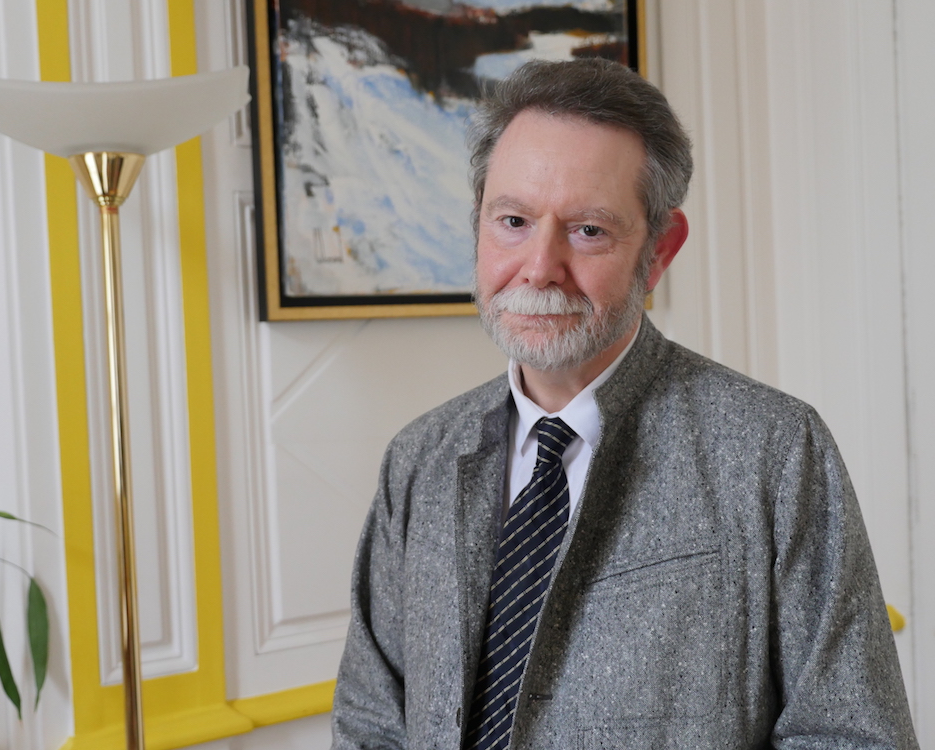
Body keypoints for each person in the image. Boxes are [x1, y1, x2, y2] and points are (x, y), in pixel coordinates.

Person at [330, 58, 918, 749]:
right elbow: (371, 723)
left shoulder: (776, 452)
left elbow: (854, 735)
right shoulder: (417, 461)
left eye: (588, 231)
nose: (540, 266)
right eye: (513, 220)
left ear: (660, 252)